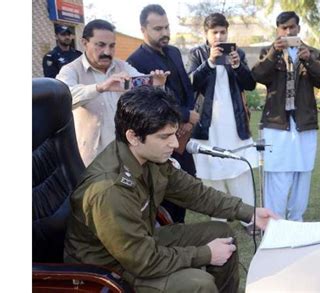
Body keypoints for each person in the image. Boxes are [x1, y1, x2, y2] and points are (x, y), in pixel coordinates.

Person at [64, 85, 277, 293]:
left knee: (222, 233)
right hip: (109, 268)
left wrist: (250, 213)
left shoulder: (149, 156)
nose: (175, 143)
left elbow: (195, 193)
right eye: (165, 136)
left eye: (174, 134)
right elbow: (143, 261)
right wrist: (205, 254)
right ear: (133, 137)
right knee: (198, 283)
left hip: (137, 243)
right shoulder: (109, 189)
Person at [251, 11, 320, 221]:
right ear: (278, 30)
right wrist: (273, 54)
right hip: (276, 124)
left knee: (302, 173)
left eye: (291, 27)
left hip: (304, 123)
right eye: (283, 28)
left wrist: (309, 60)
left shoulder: (312, 52)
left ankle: (296, 220)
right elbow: (258, 75)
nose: (288, 31)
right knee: (276, 173)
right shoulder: (267, 52)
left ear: (298, 28)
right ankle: (274, 221)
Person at [56, 19, 169, 167]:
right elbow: (63, 99)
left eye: (112, 46)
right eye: (100, 45)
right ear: (84, 42)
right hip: (89, 159)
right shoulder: (71, 70)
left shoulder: (122, 66)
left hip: (123, 155)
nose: (107, 52)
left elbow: (143, 90)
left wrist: (158, 84)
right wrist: (100, 87)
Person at [127, 4, 200, 223]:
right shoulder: (136, 61)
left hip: (183, 139)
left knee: (185, 188)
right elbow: (148, 105)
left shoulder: (174, 52)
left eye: (167, 27)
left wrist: (189, 116)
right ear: (143, 29)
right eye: (158, 29)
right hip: (160, 141)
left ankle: (181, 234)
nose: (165, 33)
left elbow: (187, 88)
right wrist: (185, 115)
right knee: (165, 196)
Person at [187, 13, 258, 234]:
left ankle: (250, 219)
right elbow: (192, 83)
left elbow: (250, 84)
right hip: (207, 125)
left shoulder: (239, 52)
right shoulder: (197, 53)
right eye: (214, 32)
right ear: (206, 34)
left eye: (223, 31)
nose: (219, 36)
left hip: (235, 124)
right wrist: (208, 62)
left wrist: (238, 66)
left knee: (241, 172)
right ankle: (219, 222)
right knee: (211, 175)